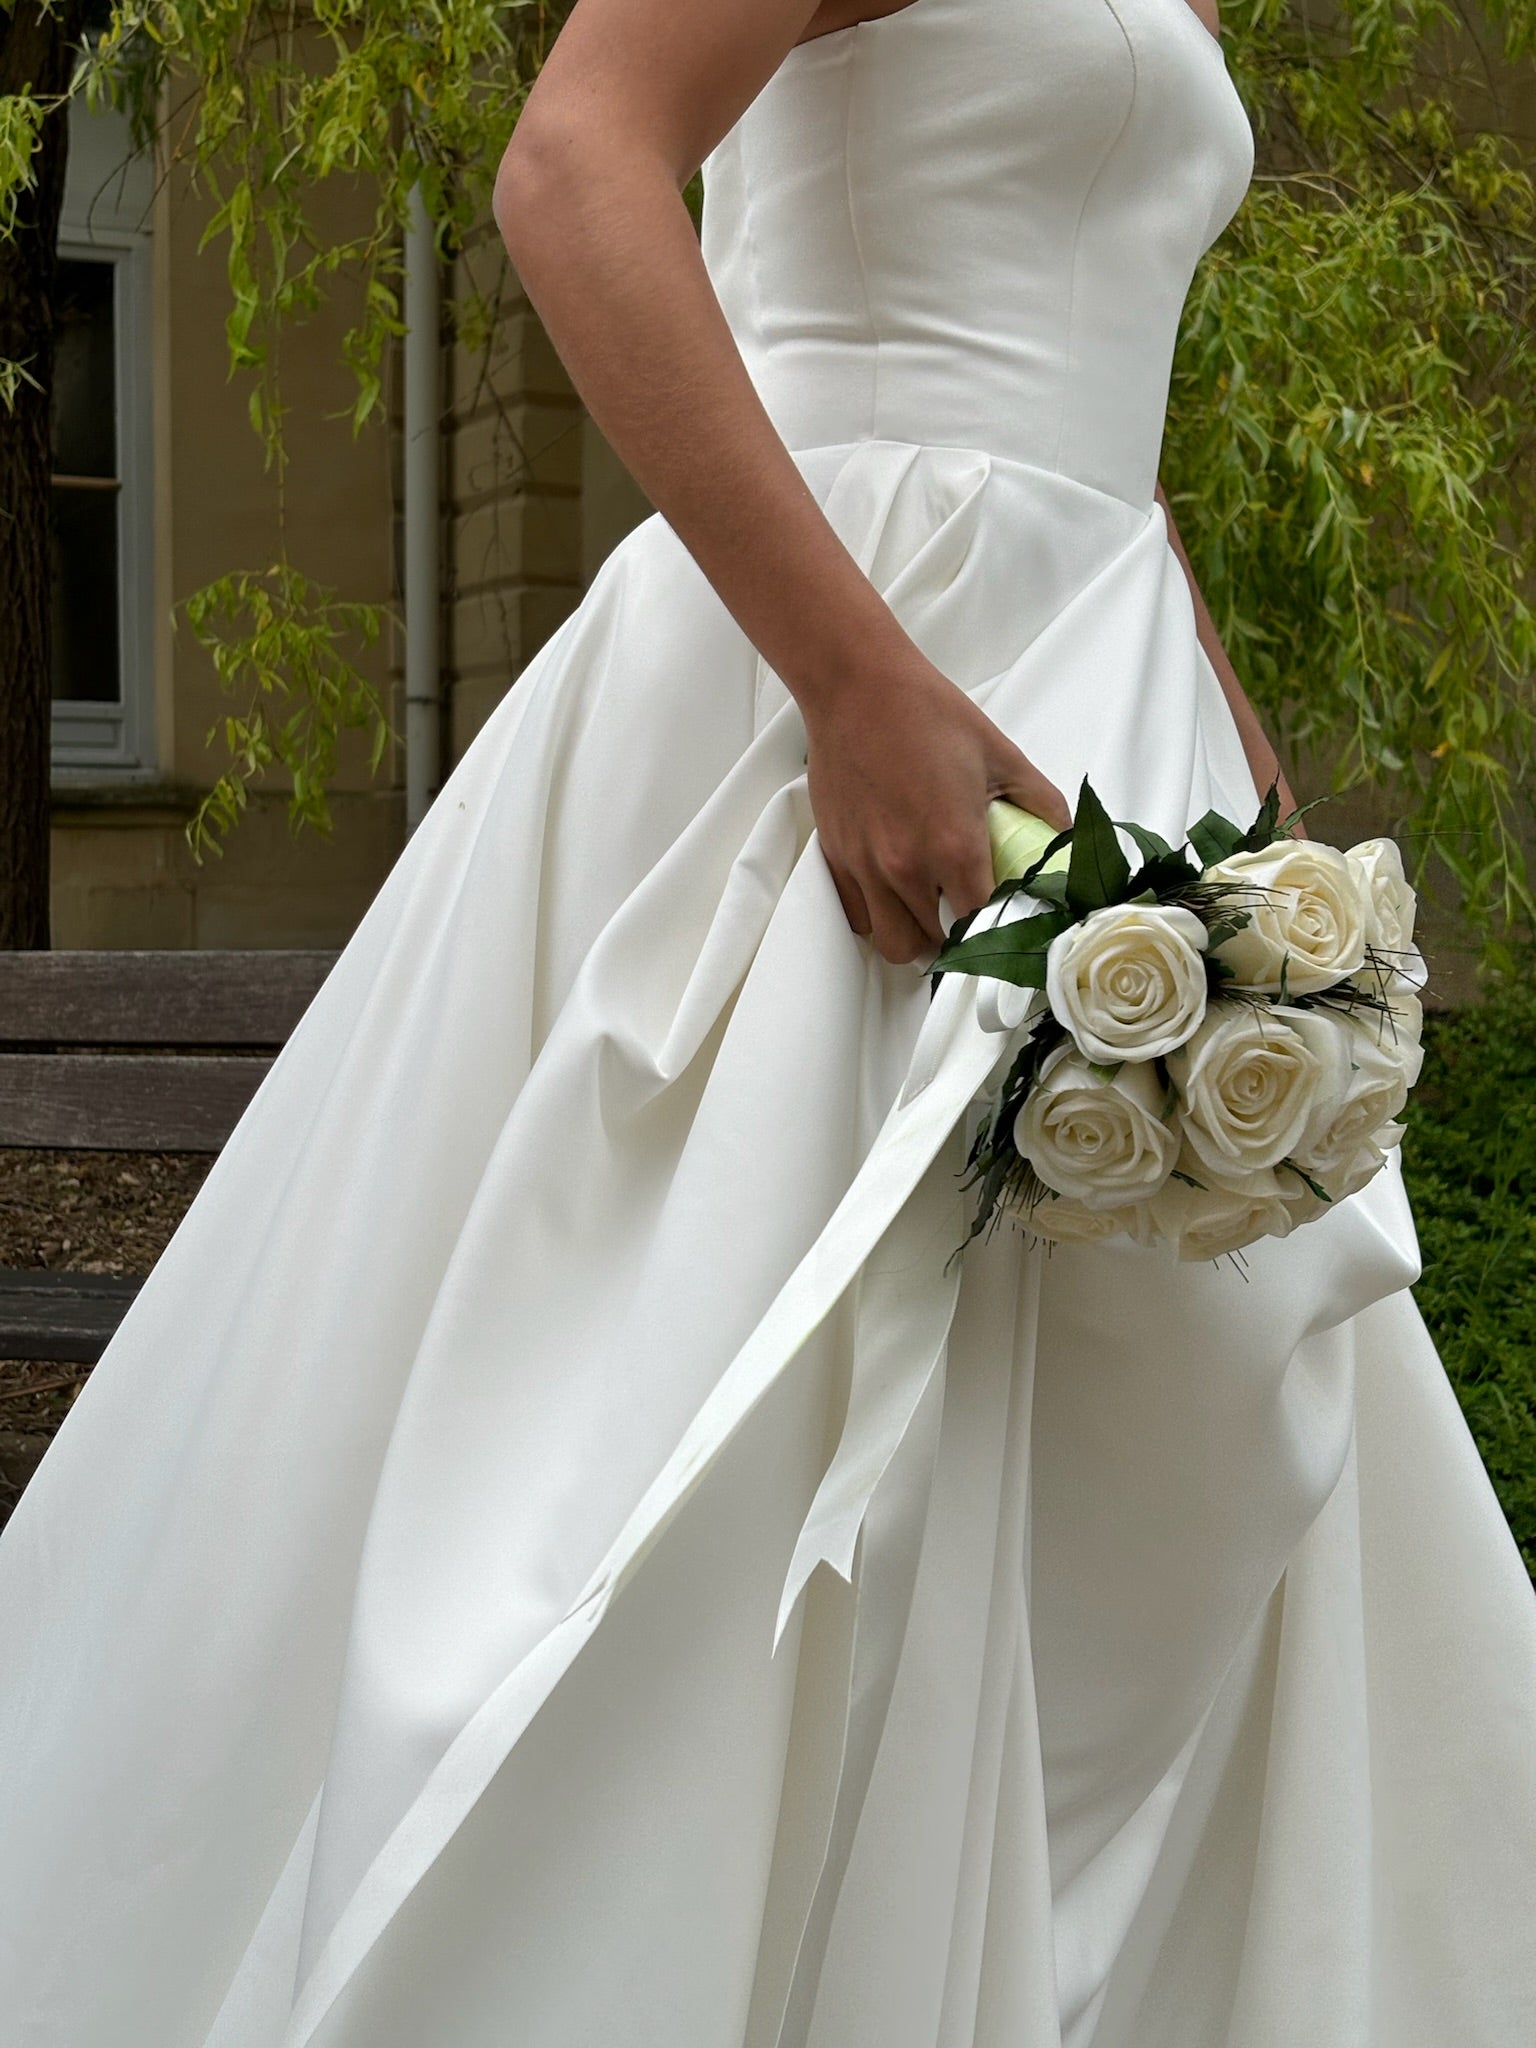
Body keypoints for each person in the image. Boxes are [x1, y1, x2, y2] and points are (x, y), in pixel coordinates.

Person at [2, 1, 1533, 2043]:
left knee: (1158, 1432)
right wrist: (854, 683)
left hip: (1093, 710)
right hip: (839, 680)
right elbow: (575, 166)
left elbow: (1113, 436)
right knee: (728, 1426)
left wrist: (1250, 822)